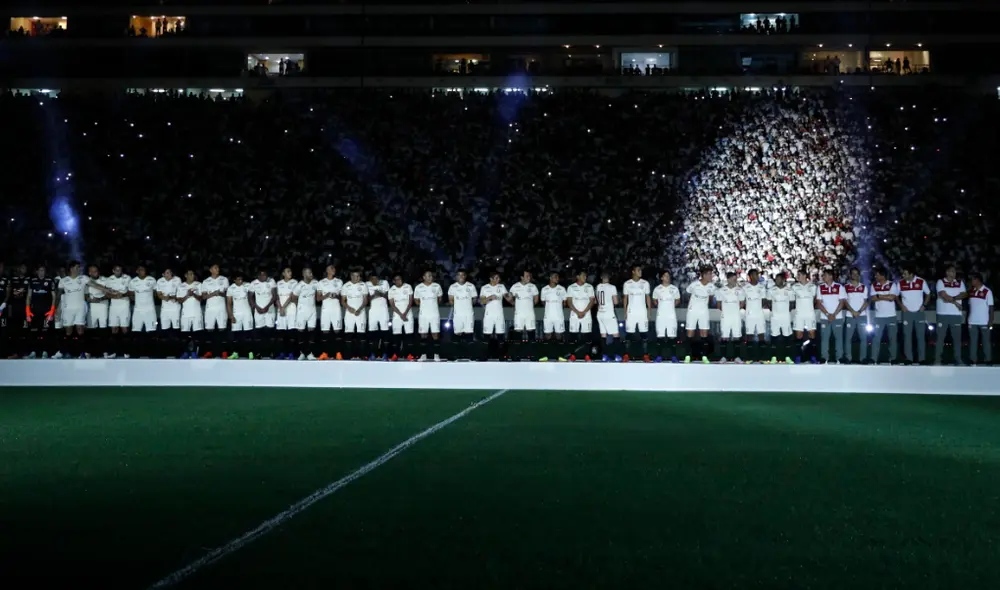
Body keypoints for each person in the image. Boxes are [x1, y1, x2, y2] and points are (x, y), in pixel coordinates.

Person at [897, 264, 931, 365]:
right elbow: (895, 296)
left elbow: (928, 294)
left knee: (920, 336)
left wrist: (924, 305)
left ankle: (922, 359)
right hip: (906, 313)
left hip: (919, 312)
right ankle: (909, 358)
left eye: (905, 273)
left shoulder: (921, 281)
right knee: (907, 336)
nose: (903, 275)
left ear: (911, 274)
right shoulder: (900, 283)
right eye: (903, 273)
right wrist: (901, 306)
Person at [56, 261, 90, 359]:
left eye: (79, 267)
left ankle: (82, 353)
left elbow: (94, 285)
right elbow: (58, 296)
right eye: (77, 267)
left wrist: (108, 290)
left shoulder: (83, 278)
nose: (79, 269)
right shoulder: (63, 280)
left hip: (80, 308)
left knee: (80, 330)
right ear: (71, 269)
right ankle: (66, 352)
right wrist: (55, 308)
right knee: (68, 332)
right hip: (68, 309)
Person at [934, 265, 966, 366]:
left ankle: (958, 359)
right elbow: (944, 296)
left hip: (956, 315)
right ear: (947, 272)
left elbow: (964, 294)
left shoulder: (960, 283)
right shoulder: (940, 282)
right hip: (943, 314)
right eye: (952, 271)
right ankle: (937, 360)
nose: (954, 273)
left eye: (955, 271)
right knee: (940, 338)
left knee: (957, 339)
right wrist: (956, 303)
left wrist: (953, 298)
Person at [869, 267, 900, 365]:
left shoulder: (892, 284)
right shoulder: (874, 285)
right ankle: (874, 359)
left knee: (892, 338)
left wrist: (879, 296)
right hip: (879, 316)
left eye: (877, 275)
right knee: (876, 338)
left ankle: (893, 359)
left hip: (891, 315)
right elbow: (873, 298)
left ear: (882, 275)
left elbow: (892, 298)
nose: (875, 276)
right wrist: (885, 296)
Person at [685, 265, 715, 363]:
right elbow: (687, 293)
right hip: (692, 311)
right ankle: (688, 356)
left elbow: (710, 298)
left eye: (711, 274)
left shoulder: (712, 286)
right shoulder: (694, 285)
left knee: (704, 333)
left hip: (704, 311)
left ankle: (704, 356)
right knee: (690, 333)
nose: (711, 276)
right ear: (704, 275)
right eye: (710, 274)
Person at [25, 265, 57, 359]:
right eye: (40, 270)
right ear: (37, 271)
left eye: (43, 270)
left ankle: (45, 352)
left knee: (45, 332)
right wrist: (27, 311)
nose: (41, 272)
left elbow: (54, 297)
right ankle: (33, 351)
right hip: (34, 311)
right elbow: (29, 296)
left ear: (45, 272)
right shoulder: (32, 281)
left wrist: (52, 311)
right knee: (34, 332)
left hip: (46, 311)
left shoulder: (50, 281)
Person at [815, 269, 847, 364]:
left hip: (837, 317)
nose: (823, 277)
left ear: (831, 276)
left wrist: (834, 314)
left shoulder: (839, 287)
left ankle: (839, 357)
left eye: (825, 275)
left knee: (838, 338)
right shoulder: (820, 287)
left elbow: (842, 302)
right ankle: (824, 357)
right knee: (824, 338)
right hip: (825, 317)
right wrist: (828, 314)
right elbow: (819, 303)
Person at [200, 264, 230, 358]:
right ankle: (210, 352)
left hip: (221, 308)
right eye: (215, 268)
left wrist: (220, 293)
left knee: (222, 329)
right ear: (210, 270)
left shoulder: (224, 279)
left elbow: (227, 294)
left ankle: (224, 352)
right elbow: (204, 297)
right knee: (210, 330)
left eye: (218, 267)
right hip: (210, 309)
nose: (217, 269)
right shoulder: (205, 281)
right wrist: (213, 293)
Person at [128, 265, 158, 358]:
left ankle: (152, 354)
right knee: (136, 332)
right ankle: (135, 354)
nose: (142, 271)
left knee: (152, 332)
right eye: (140, 270)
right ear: (137, 271)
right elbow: (131, 294)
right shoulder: (133, 281)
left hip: (150, 309)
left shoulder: (152, 280)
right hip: (138, 310)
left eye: (144, 269)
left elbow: (156, 293)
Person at [413, 270, 443, 361]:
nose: (430, 277)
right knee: (423, 334)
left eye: (431, 276)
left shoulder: (437, 286)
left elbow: (439, 299)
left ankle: (436, 355)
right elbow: (417, 301)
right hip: (423, 314)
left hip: (434, 313)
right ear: (424, 277)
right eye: (428, 276)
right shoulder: (418, 287)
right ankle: (423, 355)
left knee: (435, 334)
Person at [652, 270, 681, 361]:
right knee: (660, 336)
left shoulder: (674, 289)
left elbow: (678, 300)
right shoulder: (657, 289)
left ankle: (673, 356)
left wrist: (670, 306)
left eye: (668, 276)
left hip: (671, 315)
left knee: (672, 336)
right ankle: (659, 356)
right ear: (661, 278)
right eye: (665, 276)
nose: (667, 277)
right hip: (661, 315)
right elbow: (654, 300)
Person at [716, 272, 745, 363]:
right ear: (728, 279)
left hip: (736, 316)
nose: (735, 281)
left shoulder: (740, 290)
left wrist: (734, 310)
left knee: (737, 337)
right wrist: (727, 310)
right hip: (725, 317)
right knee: (724, 337)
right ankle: (723, 357)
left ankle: (737, 357)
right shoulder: (721, 290)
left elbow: (742, 303)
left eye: (735, 279)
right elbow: (719, 305)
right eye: (733, 279)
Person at [622, 265, 651, 356]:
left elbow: (648, 297)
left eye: (640, 270)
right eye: (638, 270)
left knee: (644, 333)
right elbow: (625, 298)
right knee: (629, 333)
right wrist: (625, 311)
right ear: (633, 272)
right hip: (631, 312)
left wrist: (649, 311)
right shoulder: (627, 284)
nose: (640, 271)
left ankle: (645, 355)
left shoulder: (645, 283)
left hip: (642, 312)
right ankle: (626, 355)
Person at [843, 267, 870, 364]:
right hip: (850, 315)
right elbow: (844, 302)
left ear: (859, 275)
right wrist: (853, 312)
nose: (855, 275)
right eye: (853, 274)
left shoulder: (864, 287)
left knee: (863, 338)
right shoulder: (845, 287)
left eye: (856, 274)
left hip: (861, 315)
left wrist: (858, 311)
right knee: (848, 338)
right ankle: (848, 358)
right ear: (850, 275)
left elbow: (866, 301)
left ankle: (863, 358)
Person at [966, 272, 994, 366]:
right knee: (973, 341)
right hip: (972, 321)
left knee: (986, 341)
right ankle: (972, 359)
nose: (971, 281)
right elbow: (970, 307)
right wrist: (968, 319)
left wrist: (991, 321)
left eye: (973, 279)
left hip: (984, 321)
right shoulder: (971, 291)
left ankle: (988, 359)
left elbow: (991, 308)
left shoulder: (987, 291)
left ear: (978, 280)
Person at [791, 269, 818, 363]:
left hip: (810, 314)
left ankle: (813, 357)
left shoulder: (813, 286)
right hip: (799, 314)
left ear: (804, 275)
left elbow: (815, 299)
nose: (797, 277)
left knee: (812, 335)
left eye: (799, 275)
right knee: (798, 336)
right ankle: (798, 357)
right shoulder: (794, 287)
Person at [767, 272, 794, 364]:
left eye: (779, 279)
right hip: (775, 317)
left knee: (787, 337)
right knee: (774, 337)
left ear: (783, 280)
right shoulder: (771, 290)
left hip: (786, 317)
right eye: (776, 279)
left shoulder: (789, 290)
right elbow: (769, 303)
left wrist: (785, 310)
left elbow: (792, 303)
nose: (777, 280)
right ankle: (774, 357)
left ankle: (788, 357)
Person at [105, 265, 132, 358]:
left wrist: (123, 294)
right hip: (114, 307)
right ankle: (114, 352)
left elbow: (131, 292)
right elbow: (107, 293)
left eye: (120, 270)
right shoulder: (109, 279)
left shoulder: (127, 278)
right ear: (113, 271)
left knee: (124, 329)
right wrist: (114, 296)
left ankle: (126, 352)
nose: (118, 272)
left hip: (124, 306)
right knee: (114, 329)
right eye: (116, 270)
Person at [341, 269, 369, 359]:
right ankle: (348, 355)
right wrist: (349, 308)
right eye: (354, 276)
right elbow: (343, 301)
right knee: (349, 333)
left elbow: (365, 300)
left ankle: (362, 355)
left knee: (361, 334)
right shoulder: (346, 286)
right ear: (351, 276)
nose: (356, 278)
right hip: (349, 313)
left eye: (358, 276)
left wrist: (360, 309)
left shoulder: (363, 285)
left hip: (360, 312)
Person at [226, 272, 254, 359]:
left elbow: (253, 295)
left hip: (247, 313)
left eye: (241, 279)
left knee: (248, 333)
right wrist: (231, 316)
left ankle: (250, 353)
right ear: (234, 280)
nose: (240, 281)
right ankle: (235, 353)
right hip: (236, 313)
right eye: (238, 279)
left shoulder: (247, 285)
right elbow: (229, 303)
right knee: (236, 335)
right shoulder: (231, 288)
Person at [293, 267, 319, 360]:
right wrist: (299, 306)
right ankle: (302, 353)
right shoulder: (299, 285)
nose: (311, 274)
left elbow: (319, 294)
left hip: (312, 310)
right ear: (304, 274)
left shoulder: (315, 283)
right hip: (301, 311)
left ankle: (309, 353)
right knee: (301, 332)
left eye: (311, 273)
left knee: (311, 331)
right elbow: (293, 297)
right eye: (309, 273)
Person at [250, 270, 277, 358]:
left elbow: (274, 296)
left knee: (270, 332)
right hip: (258, 311)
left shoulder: (271, 281)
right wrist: (256, 307)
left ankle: (272, 353)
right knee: (259, 332)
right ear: (258, 276)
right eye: (262, 275)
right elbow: (250, 297)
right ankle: (259, 353)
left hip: (270, 310)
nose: (264, 276)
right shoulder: (253, 283)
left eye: (265, 274)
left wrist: (267, 306)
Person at [176, 270, 203, 358]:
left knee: (196, 334)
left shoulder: (198, 284)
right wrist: (187, 295)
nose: (192, 275)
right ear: (185, 275)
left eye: (193, 274)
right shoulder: (181, 286)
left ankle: (194, 352)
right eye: (190, 274)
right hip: (185, 313)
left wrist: (193, 295)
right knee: (185, 335)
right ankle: (186, 352)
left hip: (196, 313)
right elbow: (179, 300)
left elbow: (201, 298)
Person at [742, 269, 767, 363]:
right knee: (749, 336)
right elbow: (742, 301)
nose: (757, 276)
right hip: (749, 314)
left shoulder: (762, 287)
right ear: (751, 276)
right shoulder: (745, 287)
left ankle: (762, 358)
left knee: (761, 335)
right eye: (755, 275)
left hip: (759, 314)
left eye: (757, 275)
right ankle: (749, 358)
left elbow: (764, 300)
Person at [156, 269, 182, 357]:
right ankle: (164, 353)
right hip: (165, 309)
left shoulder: (177, 280)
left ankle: (177, 353)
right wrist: (164, 297)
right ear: (163, 274)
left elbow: (180, 292)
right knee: (165, 330)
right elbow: (158, 294)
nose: (169, 274)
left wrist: (171, 297)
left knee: (176, 330)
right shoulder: (160, 281)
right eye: (166, 273)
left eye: (170, 272)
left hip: (175, 308)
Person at [565, 270, 595, 347]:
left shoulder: (589, 287)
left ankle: (586, 355)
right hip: (574, 315)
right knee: (573, 335)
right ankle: (572, 355)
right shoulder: (571, 287)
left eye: (585, 276)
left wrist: (584, 312)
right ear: (578, 277)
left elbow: (592, 301)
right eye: (583, 275)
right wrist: (577, 312)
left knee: (587, 335)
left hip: (587, 315)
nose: (585, 277)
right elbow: (569, 302)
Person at [508, 270, 539, 342]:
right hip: (519, 314)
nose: (529, 277)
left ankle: (531, 351)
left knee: (531, 331)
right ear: (522, 277)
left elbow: (536, 300)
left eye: (529, 276)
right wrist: (513, 303)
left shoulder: (533, 286)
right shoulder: (515, 286)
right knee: (518, 332)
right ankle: (517, 351)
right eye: (527, 276)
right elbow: (509, 297)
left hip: (530, 313)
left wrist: (529, 305)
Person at [388, 274, 414, 358]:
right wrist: (400, 314)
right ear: (394, 281)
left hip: (408, 314)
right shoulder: (391, 289)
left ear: (402, 280)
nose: (398, 281)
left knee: (409, 335)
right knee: (396, 336)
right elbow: (392, 304)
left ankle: (409, 355)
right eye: (396, 279)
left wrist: (405, 313)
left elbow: (410, 301)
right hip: (397, 315)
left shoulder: (408, 287)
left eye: (399, 279)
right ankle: (396, 355)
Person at [447, 270, 477, 343]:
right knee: (458, 333)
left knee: (468, 333)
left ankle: (468, 353)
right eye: (459, 275)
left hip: (469, 314)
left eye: (462, 275)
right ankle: (457, 353)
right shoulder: (452, 287)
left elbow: (474, 298)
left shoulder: (471, 286)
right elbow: (450, 299)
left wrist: (468, 305)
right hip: (458, 314)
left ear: (465, 276)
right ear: (456, 276)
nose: (461, 276)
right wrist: (457, 305)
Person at [275, 267, 298, 359]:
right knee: (281, 332)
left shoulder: (294, 282)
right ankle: (282, 353)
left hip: (291, 309)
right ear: (283, 273)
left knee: (291, 332)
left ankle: (291, 353)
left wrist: (283, 307)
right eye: (288, 271)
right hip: (281, 311)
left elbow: (291, 296)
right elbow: (276, 297)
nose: (290, 272)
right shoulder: (279, 283)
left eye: (291, 271)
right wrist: (280, 308)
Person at [366, 272, 391, 358]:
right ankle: (373, 354)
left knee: (385, 332)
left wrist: (380, 294)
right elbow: (367, 299)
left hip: (383, 311)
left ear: (379, 279)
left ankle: (385, 354)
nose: (374, 280)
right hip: (373, 312)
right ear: (370, 279)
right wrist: (374, 295)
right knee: (372, 333)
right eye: (372, 279)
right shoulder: (367, 285)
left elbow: (387, 296)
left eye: (376, 279)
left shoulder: (385, 283)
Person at [594, 271, 620, 345]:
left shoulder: (597, 287)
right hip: (608, 313)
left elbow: (595, 301)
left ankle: (604, 354)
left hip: (600, 313)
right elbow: (616, 302)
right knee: (615, 334)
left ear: (601, 277)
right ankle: (617, 354)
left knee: (603, 334)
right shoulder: (612, 287)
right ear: (609, 277)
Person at [540, 272, 567, 341]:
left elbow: (564, 302)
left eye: (558, 277)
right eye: (555, 277)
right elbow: (543, 302)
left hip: (559, 316)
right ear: (550, 278)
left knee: (559, 336)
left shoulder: (562, 289)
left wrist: (559, 309)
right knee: (547, 335)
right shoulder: (544, 289)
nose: (557, 278)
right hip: (548, 316)